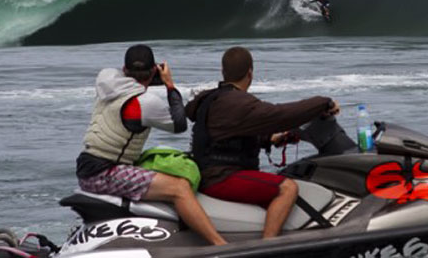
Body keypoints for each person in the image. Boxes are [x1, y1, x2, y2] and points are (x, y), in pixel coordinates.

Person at [76, 44, 227, 246]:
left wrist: (148, 79)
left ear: (124, 69)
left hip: (88, 165)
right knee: (179, 188)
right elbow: (179, 124)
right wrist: (170, 86)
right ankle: (220, 244)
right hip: (105, 172)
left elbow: (124, 79)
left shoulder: (106, 82)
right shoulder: (144, 102)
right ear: (153, 71)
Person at [186, 46, 340, 239]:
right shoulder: (237, 103)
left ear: (223, 72)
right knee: (287, 188)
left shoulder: (214, 98)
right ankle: (268, 247)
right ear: (250, 73)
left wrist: (270, 139)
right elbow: (280, 115)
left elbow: (226, 134)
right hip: (220, 177)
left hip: (211, 172)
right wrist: (323, 103)